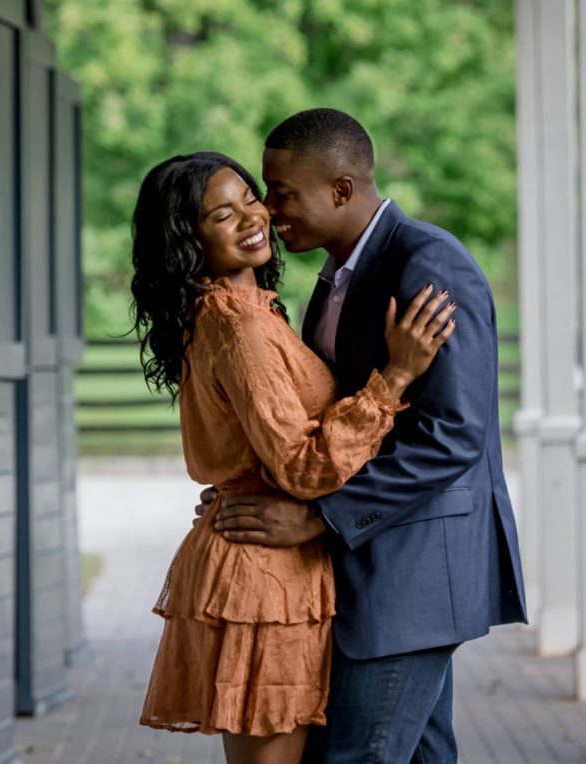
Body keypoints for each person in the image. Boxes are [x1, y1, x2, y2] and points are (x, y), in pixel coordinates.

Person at [203, 109, 527, 762]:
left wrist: (318, 518)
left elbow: (451, 436)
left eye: (282, 192)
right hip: (374, 567)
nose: (269, 209)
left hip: (411, 571)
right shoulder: (335, 275)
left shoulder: (428, 265)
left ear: (342, 190)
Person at [131, 150, 456, 764]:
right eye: (221, 215)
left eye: (251, 198)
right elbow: (303, 467)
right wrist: (396, 376)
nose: (252, 218)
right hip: (263, 574)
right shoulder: (239, 324)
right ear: (188, 240)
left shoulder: (252, 312)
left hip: (264, 556)